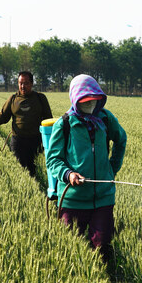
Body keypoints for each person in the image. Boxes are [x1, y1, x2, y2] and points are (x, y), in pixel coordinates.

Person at [46, 74, 127, 266]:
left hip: (103, 196)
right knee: (72, 250)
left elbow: (121, 139)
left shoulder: (106, 119)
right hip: (72, 199)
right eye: (85, 100)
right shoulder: (65, 124)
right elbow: (53, 159)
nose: (90, 104)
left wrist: (111, 169)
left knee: (102, 247)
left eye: (94, 99)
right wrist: (69, 174)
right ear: (75, 99)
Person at [0, 71, 53, 176]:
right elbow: (3, 116)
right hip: (18, 141)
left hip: (36, 141)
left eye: (26, 83)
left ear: (32, 84)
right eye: (20, 83)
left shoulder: (40, 98)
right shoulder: (13, 99)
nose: (23, 86)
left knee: (35, 170)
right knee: (19, 170)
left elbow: (48, 119)